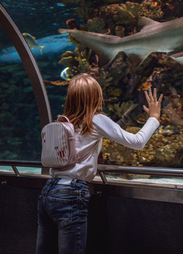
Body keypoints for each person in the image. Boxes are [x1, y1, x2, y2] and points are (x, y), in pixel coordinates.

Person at [36, 73, 163, 254]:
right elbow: (137, 142)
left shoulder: (63, 120)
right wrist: (154, 117)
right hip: (72, 193)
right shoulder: (97, 119)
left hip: (48, 191)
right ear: (96, 97)